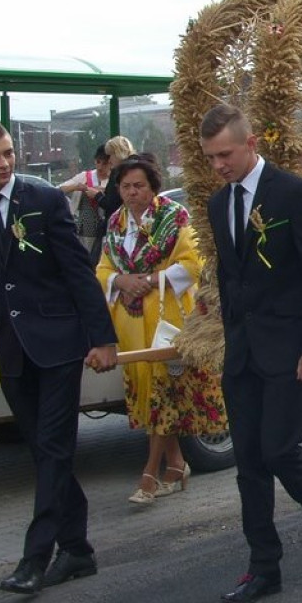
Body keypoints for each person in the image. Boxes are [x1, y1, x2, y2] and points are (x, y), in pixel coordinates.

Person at [199, 105, 302, 602]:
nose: (219, 165)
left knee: (279, 448)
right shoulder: (218, 204)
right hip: (241, 353)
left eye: (225, 154)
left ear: (252, 143)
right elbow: (230, 275)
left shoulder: (293, 193)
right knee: (249, 464)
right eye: (211, 157)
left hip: (289, 350)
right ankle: (263, 566)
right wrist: (227, 335)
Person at [0, 120, 118, 595]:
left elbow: (78, 272)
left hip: (58, 345)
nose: (4, 163)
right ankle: (77, 549)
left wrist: (103, 339)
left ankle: (34, 559)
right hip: (12, 351)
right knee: (44, 452)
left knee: (54, 449)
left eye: (8, 152)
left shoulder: (42, 199)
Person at [95, 153, 227, 504]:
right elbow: (103, 268)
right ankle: (177, 465)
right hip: (130, 323)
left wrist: (152, 280)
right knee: (149, 392)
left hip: (166, 320)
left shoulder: (174, 216)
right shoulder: (116, 223)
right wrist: (122, 281)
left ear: (153, 187)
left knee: (162, 393)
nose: (132, 192)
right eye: (125, 186)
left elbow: (192, 263)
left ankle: (149, 475)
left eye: (139, 185)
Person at [58, 144, 110, 261]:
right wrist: (77, 187)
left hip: (106, 228)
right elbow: (59, 189)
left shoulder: (114, 180)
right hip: (85, 227)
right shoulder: (85, 176)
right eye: (98, 162)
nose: (100, 167)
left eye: (104, 163)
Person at [96, 135, 136, 224]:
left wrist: (97, 195)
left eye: (110, 156)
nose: (109, 160)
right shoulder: (137, 167)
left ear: (118, 153)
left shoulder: (118, 173)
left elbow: (112, 204)